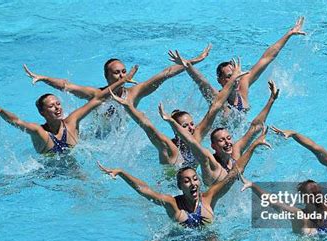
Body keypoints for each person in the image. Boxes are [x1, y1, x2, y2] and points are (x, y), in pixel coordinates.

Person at [97, 131, 270, 241]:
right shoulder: (172, 203)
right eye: (187, 181)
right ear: (180, 186)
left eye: (195, 179)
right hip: (175, 238)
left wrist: (253, 146)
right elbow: (144, 190)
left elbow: (233, 174)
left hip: (207, 238)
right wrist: (121, 173)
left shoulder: (209, 198)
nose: (193, 183)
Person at [23, 45, 212, 135]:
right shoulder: (97, 95)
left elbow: (164, 74)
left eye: (124, 71)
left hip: (120, 139)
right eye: (116, 73)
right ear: (107, 77)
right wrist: (45, 79)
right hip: (96, 139)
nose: (122, 76)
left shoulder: (133, 93)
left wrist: (194, 61)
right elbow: (66, 86)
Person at [107, 58, 248, 167]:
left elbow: (215, 105)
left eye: (192, 124)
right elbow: (147, 126)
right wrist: (128, 106)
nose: (192, 128)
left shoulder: (197, 136)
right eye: (186, 126)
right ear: (176, 129)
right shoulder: (169, 148)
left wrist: (234, 78)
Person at [0, 67, 137, 155]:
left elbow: (97, 99)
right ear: (42, 112)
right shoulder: (40, 132)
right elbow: (16, 121)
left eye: (58, 104)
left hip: (72, 167)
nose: (57, 107)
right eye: (51, 106)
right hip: (47, 172)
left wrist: (122, 81)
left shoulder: (71, 122)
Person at [168, 17, 305, 115]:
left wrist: (289, 34)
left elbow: (266, 58)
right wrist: (188, 66)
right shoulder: (217, 97)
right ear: (220, 81)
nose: (236, 78)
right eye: (229, 76)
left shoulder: (243, 85)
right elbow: (201, 81)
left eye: (236, 74)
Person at [159, 80, 279, 185]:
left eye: (228, 138)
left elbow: (255, 128)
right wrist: (171, 122)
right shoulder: (210, 163)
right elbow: (190, 141)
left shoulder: (235, 153)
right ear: (213, 146)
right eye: (221, 140)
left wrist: (272, 100)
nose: (227, 142)